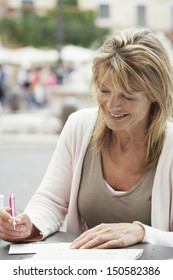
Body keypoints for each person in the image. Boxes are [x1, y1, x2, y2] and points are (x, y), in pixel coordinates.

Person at [1, 27, 173, 249]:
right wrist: (28, 225)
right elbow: (51, 201)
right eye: (104, 90)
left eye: (127, 96)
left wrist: (142, 232)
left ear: (155, 95)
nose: (112, 105)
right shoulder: (79, 126)